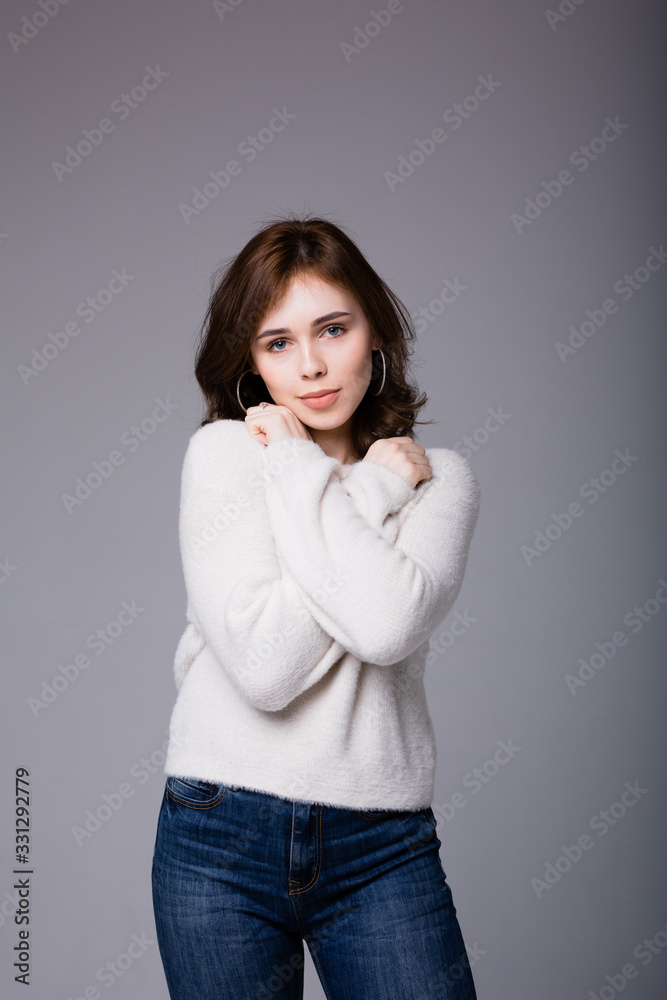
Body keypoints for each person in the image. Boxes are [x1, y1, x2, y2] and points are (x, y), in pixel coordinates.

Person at [151, 214, 481, 999]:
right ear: (250, 363)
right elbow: (266, 668)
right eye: (277, 343)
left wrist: (311, 469)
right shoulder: (226, 455)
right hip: (217, 832)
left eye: (333, 329)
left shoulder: (436, 479)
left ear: (375, 331)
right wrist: (369, 487)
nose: (310, 366)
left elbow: (385, 625)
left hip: (380, 845)